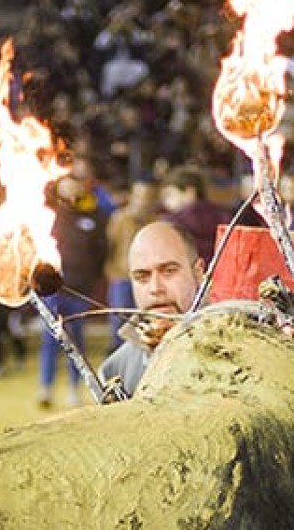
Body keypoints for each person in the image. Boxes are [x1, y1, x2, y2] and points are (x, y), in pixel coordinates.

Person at [99, 221, 203, 397]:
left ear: (199, 272)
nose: (155, 288)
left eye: (169, 271)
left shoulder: (239, 348)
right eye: (142, 277)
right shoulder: (115, 371)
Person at [37, 172, 109, 409]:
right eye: (65, 188)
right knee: (50, 339)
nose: (69, 192)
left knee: (76, 341)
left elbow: (100, 251)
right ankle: (45, 388)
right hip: (52, 290)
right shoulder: (49, 217)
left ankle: (74, 389)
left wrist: (90, 278)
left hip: (79, 287)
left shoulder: (93, 216)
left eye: (73, 187)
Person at [102, 180, 162, 351]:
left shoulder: (155, 221)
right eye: (140, 196)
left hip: (145, 279)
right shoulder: (119, 218)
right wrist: (110, 270)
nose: (143, 201)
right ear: (132, 196)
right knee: (118, 323)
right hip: (121, 276)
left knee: (142, 322)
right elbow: (109, 245)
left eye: (147, 197)